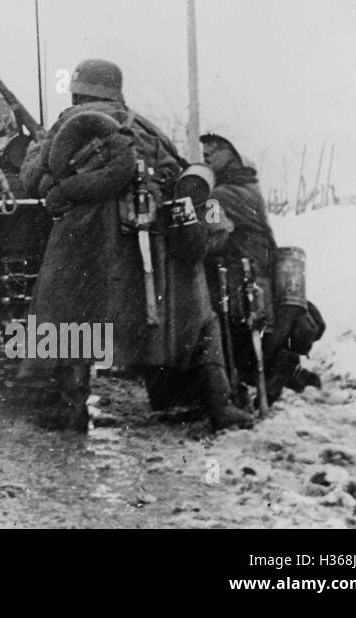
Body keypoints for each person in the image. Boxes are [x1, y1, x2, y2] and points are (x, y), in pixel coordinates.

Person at [19, 59, 251, 431]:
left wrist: (36, 155)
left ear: (78, 90)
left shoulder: (68, 122)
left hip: (84, 240)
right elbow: (178, 174)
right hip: (149, 239)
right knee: (195, 314)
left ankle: (71, 409)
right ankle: (218, 405)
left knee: (71, 315)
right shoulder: (143, 126)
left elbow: (32, 179)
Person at [200, 132, 324, 402]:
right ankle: (283, 370)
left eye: (216, 147)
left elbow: (215, 235)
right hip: (259, 272)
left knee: (220, 333)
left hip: (238, 274)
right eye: (205, 149)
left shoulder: (219, 194)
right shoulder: (248, 186)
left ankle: (243, 386)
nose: (207, 153)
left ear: (235, 154)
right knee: (251, 335)